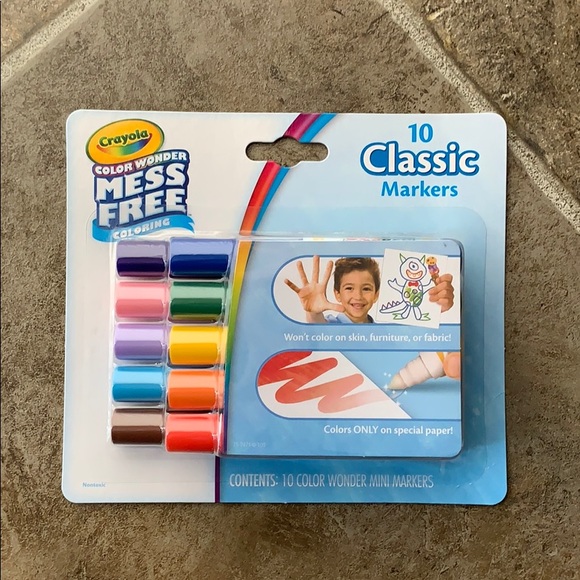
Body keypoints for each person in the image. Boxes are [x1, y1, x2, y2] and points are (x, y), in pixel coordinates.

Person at [284, 255, 454, 324]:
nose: (358, 296)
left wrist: (436, 306)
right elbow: (318, 331)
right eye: (349, 288)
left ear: (376, 294)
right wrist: (313, 313)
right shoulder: (332, 325)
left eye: (366, 288)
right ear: (337, 294)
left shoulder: (383, 330)